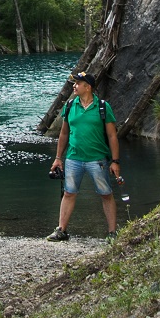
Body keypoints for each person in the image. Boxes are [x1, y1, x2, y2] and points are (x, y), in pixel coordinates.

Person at [46, 70, 120, 242]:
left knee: (106, 194)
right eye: (75, 83)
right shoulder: (70, 106)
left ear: (88, 87)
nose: (74, 86)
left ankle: (112, 233)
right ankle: (61, 230)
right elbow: (64, 134)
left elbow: (112, 136)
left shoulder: (102, 107)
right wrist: (58, 158)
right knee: (69, 193)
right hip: (73, 158)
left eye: (78, 83)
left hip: (98, 159)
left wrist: (115, 161)